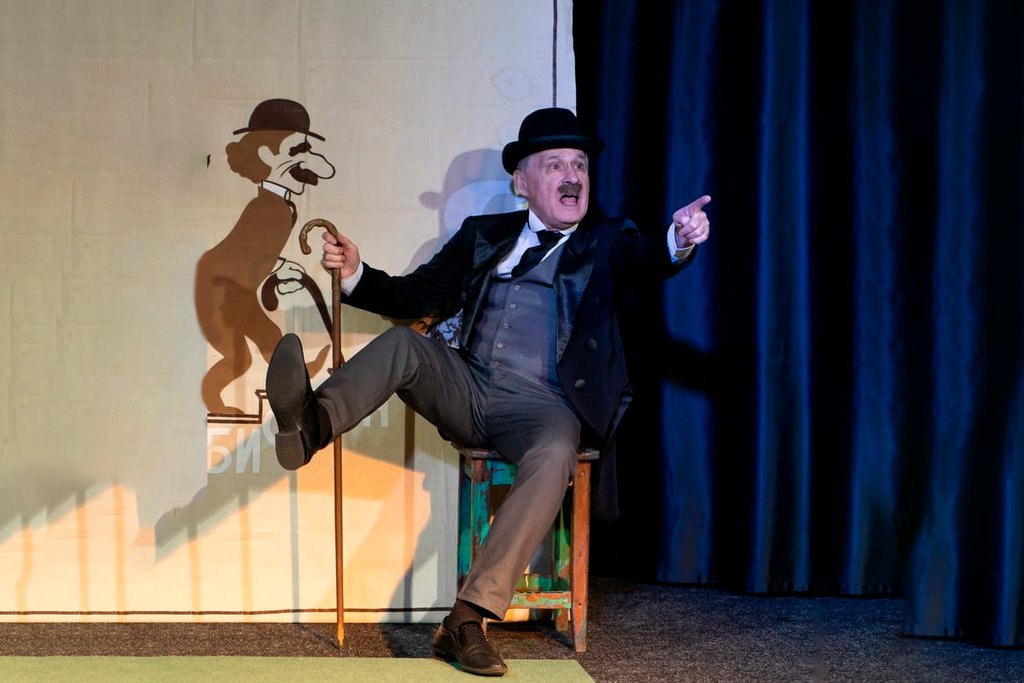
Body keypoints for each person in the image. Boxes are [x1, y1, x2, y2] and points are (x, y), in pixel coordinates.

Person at [265, 107, 710, 676]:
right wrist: (356, 273)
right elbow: (414, 295)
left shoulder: (608, 240)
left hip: (546, 406)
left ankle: (466, 618)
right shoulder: (483, 236)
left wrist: (678, 239)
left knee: (556, 451)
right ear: (522, 182)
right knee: (402, 344)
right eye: (555, 165)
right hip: (468, 385)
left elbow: (647, 257)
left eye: (579, 165)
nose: (572, 176)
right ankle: (310, 425)